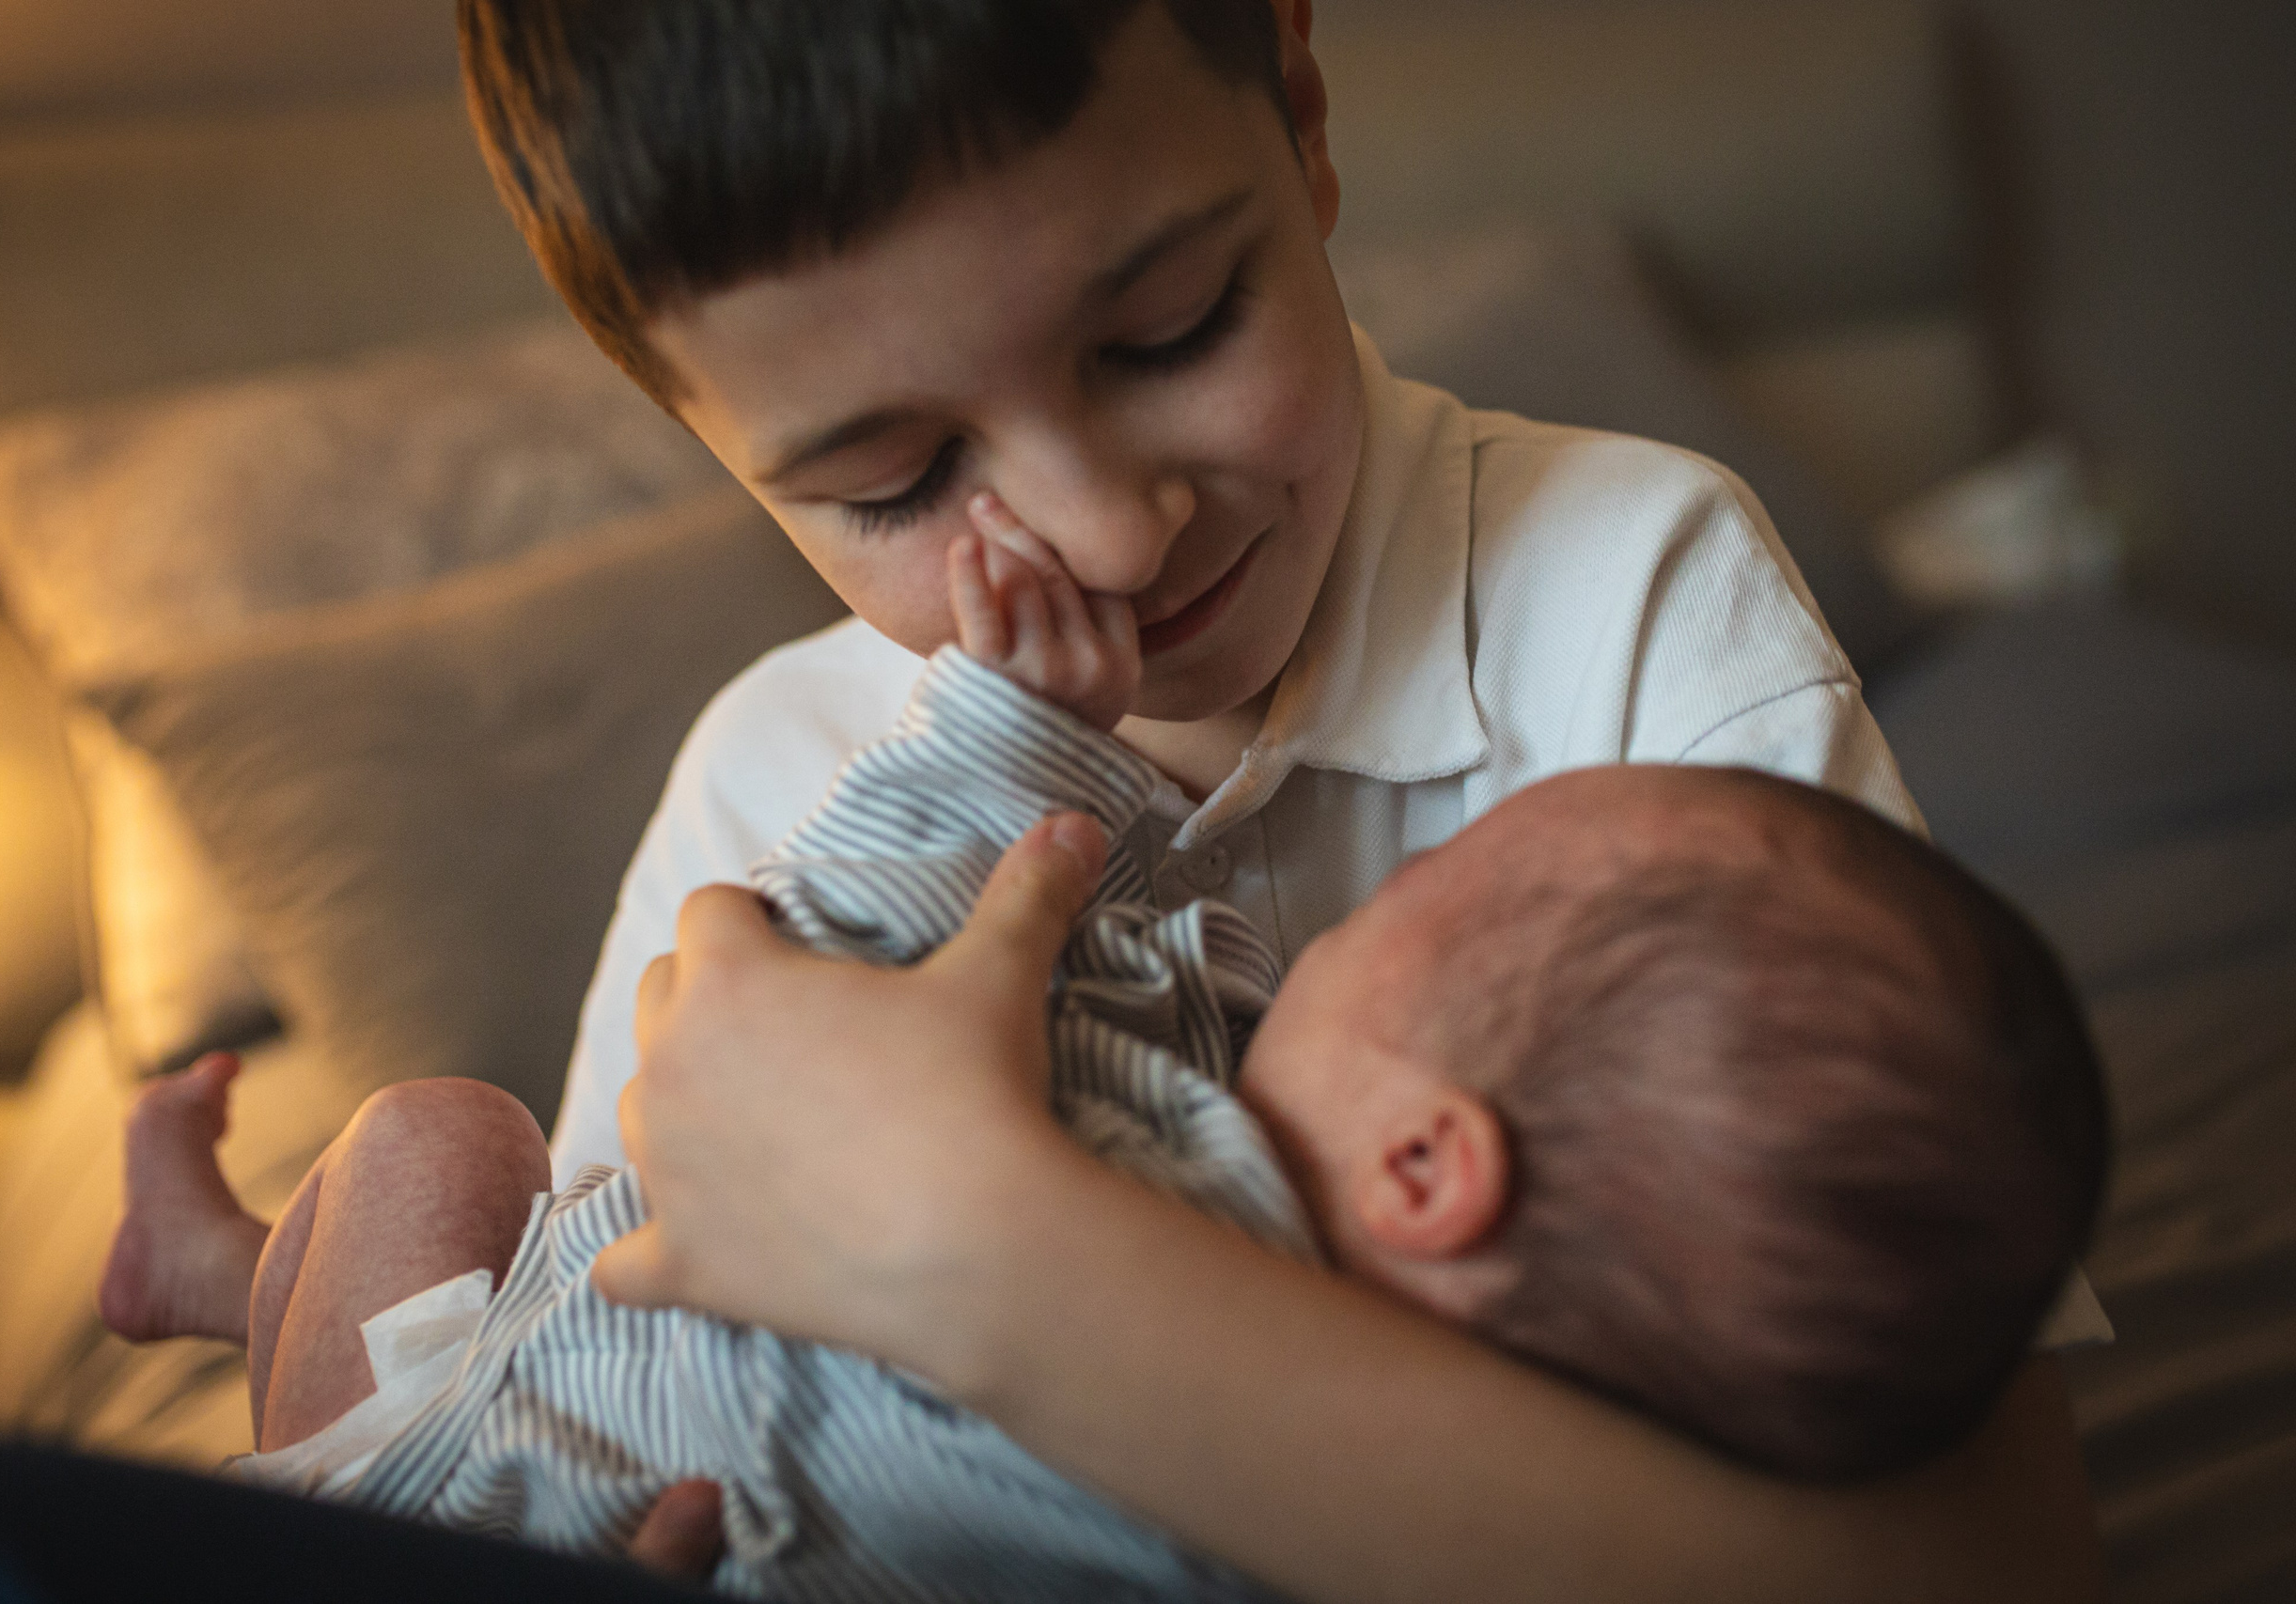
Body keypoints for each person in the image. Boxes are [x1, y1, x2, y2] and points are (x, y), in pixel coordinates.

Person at [452, 0, 2108, 1593]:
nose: (1109, 539)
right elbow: (563, 1386)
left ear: (1302, 117)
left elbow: (1998, 1572)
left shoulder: (1630, 591)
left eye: (1172, 331)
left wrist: (969, 1239)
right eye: (902, 482)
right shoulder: (774, 774)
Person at [100, 516, 2103, 1595]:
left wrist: (1015, 742)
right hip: (588, 1426)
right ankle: (230, 1273)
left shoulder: (1193, 1199)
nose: (1088, 507)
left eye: (1411, 901)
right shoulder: (1379, 1489)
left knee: (437, 1141)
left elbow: (801, 1001)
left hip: (477, 1494)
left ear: (1427, 1166)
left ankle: (245, 1300)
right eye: (892, 470)